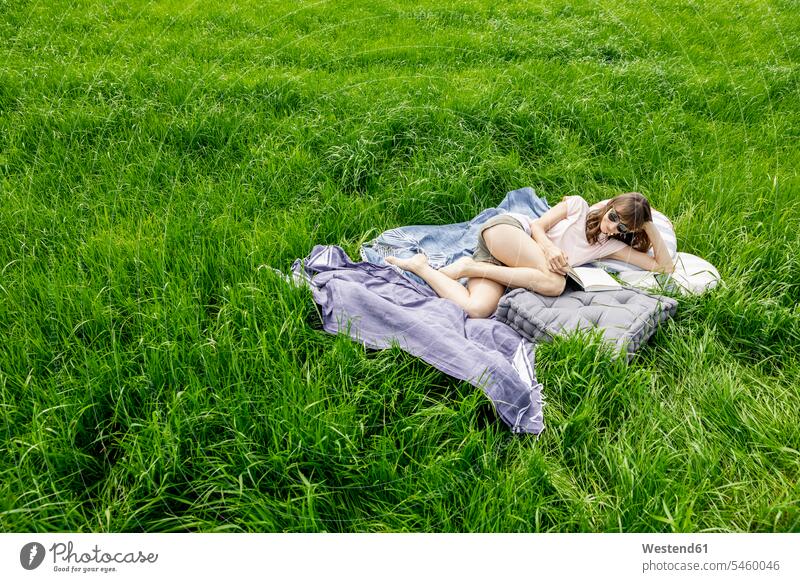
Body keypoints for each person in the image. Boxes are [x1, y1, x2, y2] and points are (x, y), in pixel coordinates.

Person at [385, 192, 675, 319]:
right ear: (609, 205)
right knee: (556, 282)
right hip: (508, 233)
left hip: (501, 261)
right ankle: (466, 267)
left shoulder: (611, 246)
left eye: (623, 227)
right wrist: (548, 248)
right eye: (613, 217)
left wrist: (647, 223)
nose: (612, 227)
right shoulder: (578, 206)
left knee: (477, 309)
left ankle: (424, 267)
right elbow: (537, 225)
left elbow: (663, 267)